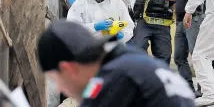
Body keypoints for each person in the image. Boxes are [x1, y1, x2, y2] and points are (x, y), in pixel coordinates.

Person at [36, 20, 196, 107]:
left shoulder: (113, 78)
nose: (60, 89)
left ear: (68, 68)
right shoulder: (129, 59)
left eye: (56, 80)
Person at [155, 0, 204, 96]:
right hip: (180, 21)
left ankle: (204, 88)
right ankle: (188, 89)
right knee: (178, 57)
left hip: (193, 19)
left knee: (196, 55)